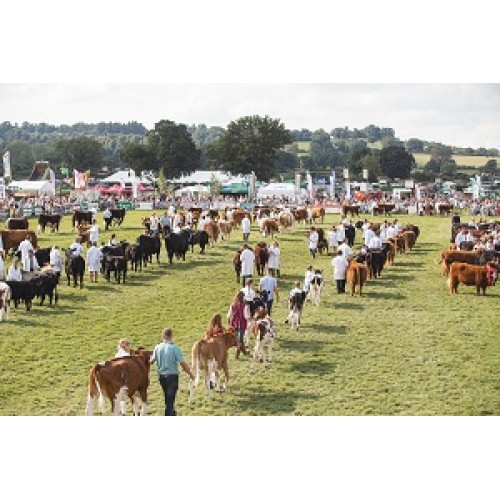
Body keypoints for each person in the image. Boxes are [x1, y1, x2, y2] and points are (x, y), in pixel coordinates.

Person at [150, 328, 194, 416]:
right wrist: (190, 374)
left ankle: (172, 413)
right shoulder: (175, 348)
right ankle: (169, 414)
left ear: (163, 336)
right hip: (172, 376)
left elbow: (151, 361)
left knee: (167, 397)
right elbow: (182, 364)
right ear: (171, 336)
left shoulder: (157, 347)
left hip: (161, 376)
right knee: (170, 399)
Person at [227, 291, 247, 359]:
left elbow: (229, 315)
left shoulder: (233, 305)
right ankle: (237, 355)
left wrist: (229, 322)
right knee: (239, 340)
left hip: (234, 323)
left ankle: (244, 351)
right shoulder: (244, 305)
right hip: (241, 324)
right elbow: (245, 315)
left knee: (239, 339)